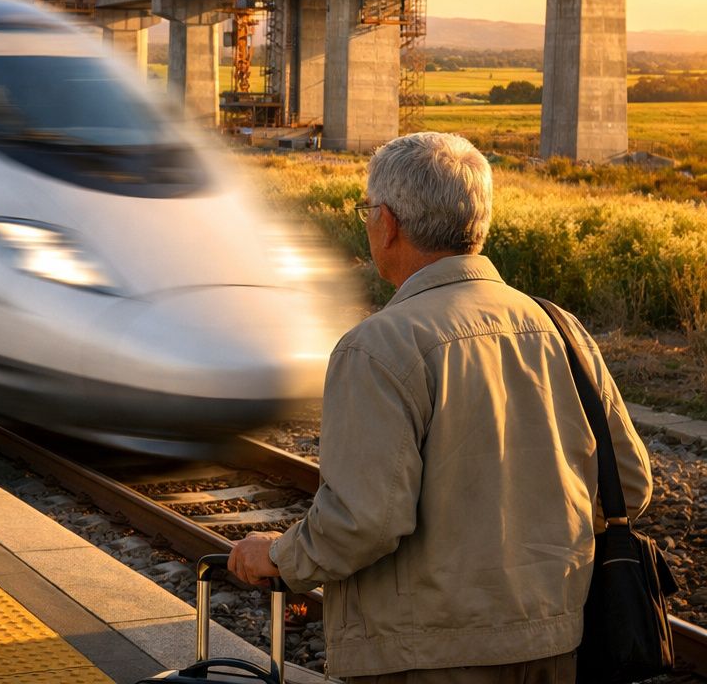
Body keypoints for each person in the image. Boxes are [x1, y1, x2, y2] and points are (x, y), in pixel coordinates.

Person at [228, 132, 651, 683]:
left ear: (388, 224)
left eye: (366, 213)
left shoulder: (378, 347)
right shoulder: (561, 330)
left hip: (425, 657)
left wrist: (280, 557)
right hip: (556, 642)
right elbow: (631, 484)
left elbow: (365, 521)